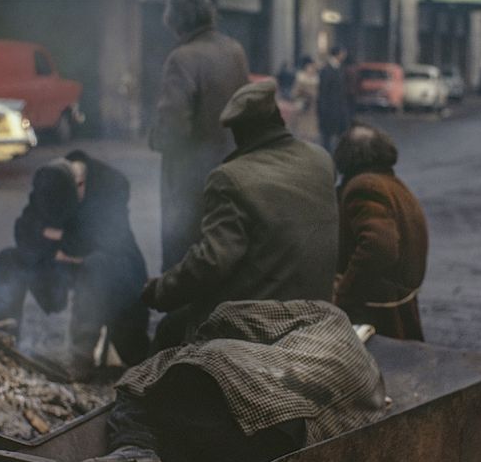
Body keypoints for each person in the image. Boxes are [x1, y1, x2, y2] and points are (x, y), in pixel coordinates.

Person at [80, 299, 387, 462]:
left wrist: (199, 341)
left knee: (143, 379)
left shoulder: (326, 312)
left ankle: (135, 447)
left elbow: (229, 314)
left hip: (241, 391)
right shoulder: (372, 385)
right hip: (289, 438)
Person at [144, 79, 339, 348]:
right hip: (317, 307)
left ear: (238, 133)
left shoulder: (230, 178)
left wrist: (161, 291)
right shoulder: (322, 160)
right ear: (277, 118)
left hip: (261, 319)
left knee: (169, 331)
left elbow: (212, 261)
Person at [0, 151, 149, 380]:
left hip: (112, 270)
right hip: (60, 262)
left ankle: (81, 356)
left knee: (96, 264)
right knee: (9, 260)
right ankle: (1, 339)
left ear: (80, 183)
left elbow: (106, 240)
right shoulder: (49, 183)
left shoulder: (113, 183)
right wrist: (61, 244)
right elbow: (23, 231)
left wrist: (55, 237)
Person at [150, 0, 249, 272]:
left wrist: (155, 138)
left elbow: (174, 126)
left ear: (175, 22)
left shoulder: (182, 58)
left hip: (190, 177)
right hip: (233, 167)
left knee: (183, 253)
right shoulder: (234, 49)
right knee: (224, 248)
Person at [332, 123, 428, 341]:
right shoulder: (392, 184)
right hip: (396, 304)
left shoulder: (365, 187)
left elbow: (379, 246)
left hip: (375, 313)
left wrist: (345, 291)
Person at [317, 47, 350, 153]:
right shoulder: (327, 69)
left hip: (339, 107)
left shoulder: (340, 68)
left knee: (340, 133)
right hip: (330, 108)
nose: (344, 55)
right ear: (338, 54)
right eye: (343, 53)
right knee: (327, 136)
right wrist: (323, 109)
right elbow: (323, 91)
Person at [290, 56, 320, 143]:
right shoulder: (300, 78)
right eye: (310, 67)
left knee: (312, 132)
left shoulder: (316, 79)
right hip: (303, 107)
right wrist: (304, 95)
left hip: (313, 108)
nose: (312, 69)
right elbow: (294, 92)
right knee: (302, 131)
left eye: (313, 67)